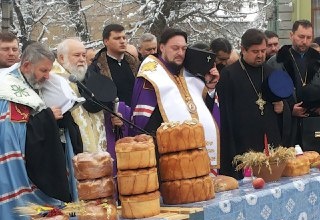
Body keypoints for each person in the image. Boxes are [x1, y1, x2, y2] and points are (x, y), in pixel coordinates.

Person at [0, 43, 72, 220]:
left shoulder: (26, 82)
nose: (47, 76)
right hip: (15, 171)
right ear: (26, 66)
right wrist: (48, 117)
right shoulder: (9, 90)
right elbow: (13, 135)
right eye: (43, 70)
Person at [131, 28, 220, 172]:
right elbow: (144, 121)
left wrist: (210, 88)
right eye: (175, 48)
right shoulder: (150, 74)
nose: (180, 53)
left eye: (184, 49)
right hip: (165, 154)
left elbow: (203, 111)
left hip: (197, 151)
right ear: (162, 47)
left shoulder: (189, 73)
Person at [217, 29, 290, 179]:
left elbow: (284, 106)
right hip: (242, 142)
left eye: (263, 50)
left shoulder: (271, 72)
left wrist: (283, 108)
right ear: (243, 49)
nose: (260, 55)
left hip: (270, 141)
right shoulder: (229, 75)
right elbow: (225, 115)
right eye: (255, 51)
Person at [88, 23, 140, 171]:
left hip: (136, 121)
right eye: (117, 38)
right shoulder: (96, 68)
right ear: (106, 41)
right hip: (114, 125)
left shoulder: (135, 64)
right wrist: (111, 115)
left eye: (124, 37)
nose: (123, 41)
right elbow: (96, 99)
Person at [268, 20, 320, 148]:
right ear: (291, 35)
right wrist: (289, 109)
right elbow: (268, 96)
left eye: (308, 37)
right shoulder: (275, 62)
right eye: (301, 37)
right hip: (288, 126)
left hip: (315, 123)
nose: (305, 41)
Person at [53, 38, 107, 153]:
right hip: (71, 146)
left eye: (84, 55)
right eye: (77, 55)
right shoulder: (53, 80)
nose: (82, 59)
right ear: (62, 58)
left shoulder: (87, 76)